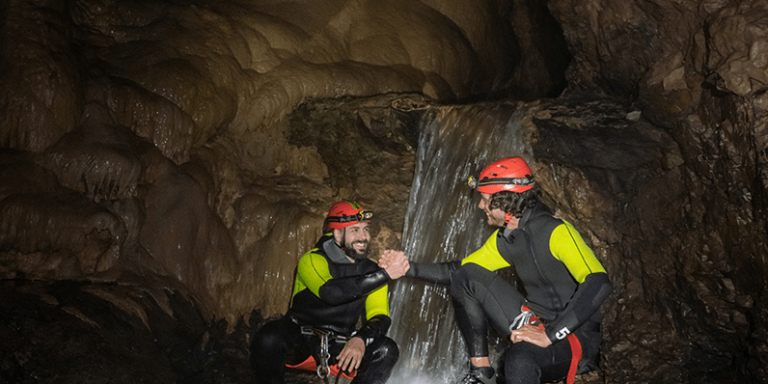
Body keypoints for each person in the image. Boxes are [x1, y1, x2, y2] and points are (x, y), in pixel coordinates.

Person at [381, 157, 612, 384]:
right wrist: (407, 268)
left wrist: (550, 335)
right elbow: (458, 272)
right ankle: (481, 373)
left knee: (519, 361)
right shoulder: (506, 238)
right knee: (466, 275)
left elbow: (599, 282)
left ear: (505, 201)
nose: (480, 206)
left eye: (485, 199)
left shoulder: (557, 231)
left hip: (574, 336)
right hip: (535, 320)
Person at [251, 201, 410, 384]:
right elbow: (331, 292)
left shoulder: (372, 271)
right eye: (355, 230)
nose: (363, 236)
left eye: (365, 229)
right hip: (302, 340)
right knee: (269, 337)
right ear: (337, 234)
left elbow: (379, 315)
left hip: (341, 345)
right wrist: (385, 274)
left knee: (387, 350)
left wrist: (361, 339)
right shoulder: (312, 260)